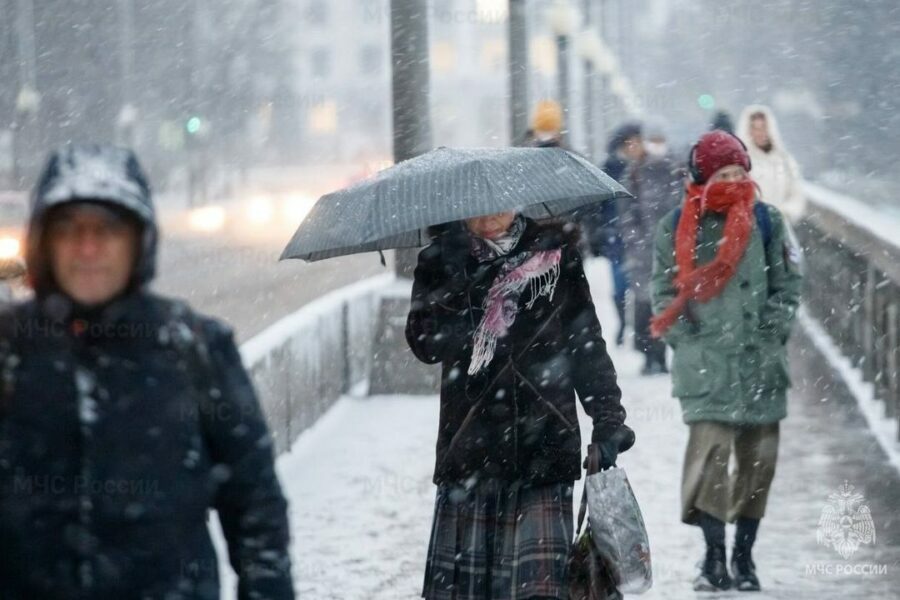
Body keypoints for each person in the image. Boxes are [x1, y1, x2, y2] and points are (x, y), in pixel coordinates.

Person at [0, 144, 294, 599]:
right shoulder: (8, 348)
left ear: (139, 240)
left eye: (109, 229)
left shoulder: (194, 347)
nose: (88, 247)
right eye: (68, 229)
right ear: (44, 243)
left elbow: (255, 506)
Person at [406, 211, 634, 600]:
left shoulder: (556, 255)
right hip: (471, 452)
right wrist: (457, 279)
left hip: (546, 443)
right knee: (470, 591)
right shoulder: (441, 259)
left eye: (503, 203)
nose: (492, 214)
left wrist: (608, 419)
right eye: (479, 206)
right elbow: (426, 346)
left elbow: (586, 345)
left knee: (540, 589)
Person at [650, 131, 802, 592]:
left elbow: (789, 286)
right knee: (709, 463)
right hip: (706, 366)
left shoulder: (768, 221)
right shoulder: (676, 226)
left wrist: (769, 332)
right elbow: (661, 294)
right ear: (702, 177)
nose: (734, 182)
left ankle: (744, 555)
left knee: (758, 465)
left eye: (739, 173)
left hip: (760, 363)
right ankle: (714, 557)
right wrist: (690, 342)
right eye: (723, 174)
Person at [620, 121, 681, 374]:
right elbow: (626, 214)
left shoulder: (678, 171)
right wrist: (637, 241)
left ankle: (662, 355)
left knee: (667, 304)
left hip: (672, 251)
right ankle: (647, 356)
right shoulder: (634, 174)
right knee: (644, 305)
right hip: (643, 253)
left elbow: (685, 208)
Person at [582, 122, 642, 346]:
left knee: (641, 287)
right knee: (619, 286)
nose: (633, 146)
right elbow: (595, 206)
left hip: (639, 237)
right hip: (615, 236)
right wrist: (597, 234)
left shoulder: (643, 168)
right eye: (630, 141)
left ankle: (638, 326)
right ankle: (623, 323)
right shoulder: (609, 168)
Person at [737, 105, 806, 223]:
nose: (759, 133)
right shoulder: (741, 161)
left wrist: (785, 213)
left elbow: (797, 194)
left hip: (779, 226)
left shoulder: (785, 161)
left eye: (763, 127)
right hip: (751, 228)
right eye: (755, 128)